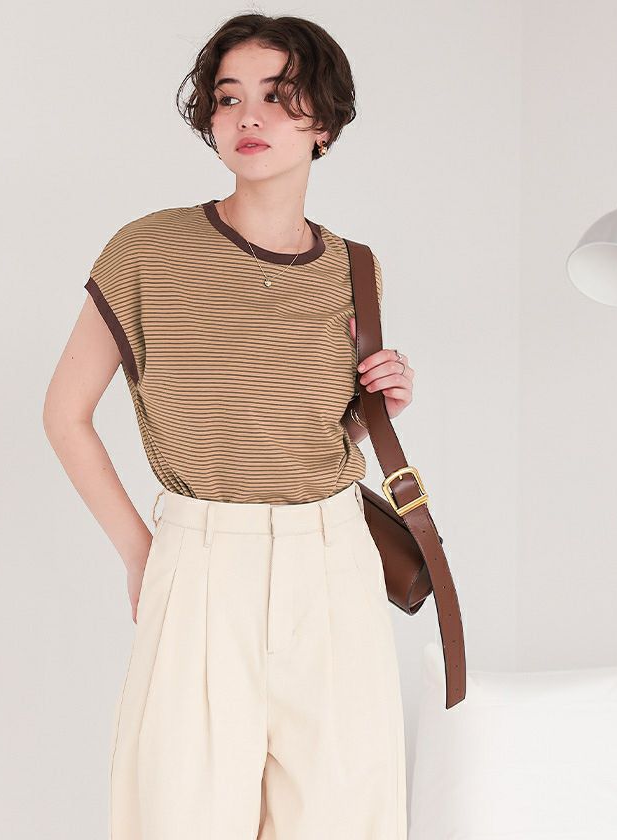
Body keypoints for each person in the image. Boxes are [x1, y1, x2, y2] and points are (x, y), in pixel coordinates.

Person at [42, 12, 414, 840]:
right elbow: (65, 415)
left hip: (334, 563)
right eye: (229, 96)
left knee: (342, 818)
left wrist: (375, 409)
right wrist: (143, 553)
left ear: (325, 123)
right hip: (201, 559)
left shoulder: (356, 268)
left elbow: (302, 436)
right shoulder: (147, 251)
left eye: (279, 96)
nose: (249, 116)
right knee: (181, 814)